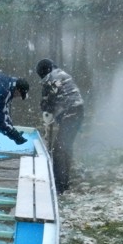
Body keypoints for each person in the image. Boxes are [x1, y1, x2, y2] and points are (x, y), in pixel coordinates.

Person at [35, 58, 84, 193]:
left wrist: (45, 106)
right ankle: (65, 182)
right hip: (78, 111)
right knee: (66, 147)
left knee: (58, 150)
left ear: (43, 73)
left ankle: (59, 186)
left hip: (70, 113)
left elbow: (48, 104)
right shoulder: (62, 74)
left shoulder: (50, 80)